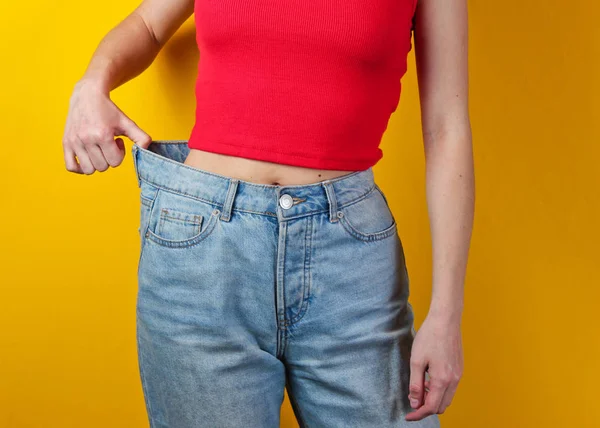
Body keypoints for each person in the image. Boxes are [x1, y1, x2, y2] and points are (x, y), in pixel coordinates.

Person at [62, 0, 473, 426]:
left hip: (350, 264)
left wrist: (446, 314)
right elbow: (148, 25)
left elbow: (447, 127)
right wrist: (92, 83)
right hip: (202, 252)